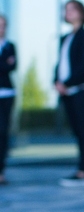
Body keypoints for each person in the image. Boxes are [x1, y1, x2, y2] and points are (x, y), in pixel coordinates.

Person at [54, 1, 84, 187]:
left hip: (80, 89)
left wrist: (66, 83)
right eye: (66, 10)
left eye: (72, 9)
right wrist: (56, 81)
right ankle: (80, 168)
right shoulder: (65, 38)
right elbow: (60, 64)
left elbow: (81, 65)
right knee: (77, 131)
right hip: (67, 92)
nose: (68, 12)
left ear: (81, 12)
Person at [0, 14, 16, 186]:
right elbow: (7, 65)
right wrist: (4, 63)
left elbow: (12, 66)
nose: (1, 28)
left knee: (3, 132)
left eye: (4, 25)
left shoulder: (10, 46)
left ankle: (1, 171)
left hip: (6, 94)